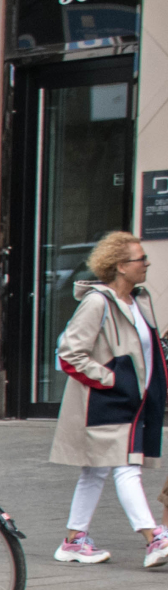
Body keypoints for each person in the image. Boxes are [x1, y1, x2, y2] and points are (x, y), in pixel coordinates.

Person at [51, 230, 168, 568]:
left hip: (130, 400)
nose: (146, 263)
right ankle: (153, 537)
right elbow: (69, 353)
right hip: (106, 401)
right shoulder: (97, 302)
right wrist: (115, 380)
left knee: (95, 471)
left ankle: (73, 541)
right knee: (126, 467)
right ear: (120, 266)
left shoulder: (140, 301)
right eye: (139, 258)